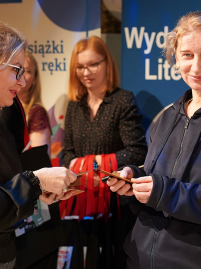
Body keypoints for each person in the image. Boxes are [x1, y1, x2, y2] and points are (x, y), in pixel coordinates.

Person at [107, 11, 201, 269]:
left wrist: (161, 191)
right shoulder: (167, 117)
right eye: (187, 55)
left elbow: (164, 189)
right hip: (138, 257)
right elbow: (155, 176)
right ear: (176, 57)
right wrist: (133, 180)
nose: (196, 67)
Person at [0, 18, 77, 268]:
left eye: (24, 71)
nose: (23, 82)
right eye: (16, 70)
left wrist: (35, 189)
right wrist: (36, 182)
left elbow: (1, 183)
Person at [62, 36, 147, 268]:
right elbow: (66, 156)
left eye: (93, 64)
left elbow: (137, 152)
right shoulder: (73, 105)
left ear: (106, 63)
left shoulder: (122, 100)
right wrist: (87, 169)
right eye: (80, 67)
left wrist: (93, 163)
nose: (86, 72)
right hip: (82, 203)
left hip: (116, 204)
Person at [17, 51, 51, 155]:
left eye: (26, 71)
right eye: (17, 69)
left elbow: (38, 162)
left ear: (35, 79)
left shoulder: (37, 113)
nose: (20, 75)